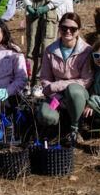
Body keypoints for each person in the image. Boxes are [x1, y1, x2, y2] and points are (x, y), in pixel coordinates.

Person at [36, 12, 93, 141]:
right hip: (56, 96)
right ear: (59, 28)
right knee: (45, 116)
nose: (68, 31)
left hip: (78, 95)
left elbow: (86, 80)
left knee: (73, 90)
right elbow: (44, 79)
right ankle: (61, 124)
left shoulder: (87, 51)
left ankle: (75, 128)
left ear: (78, 30)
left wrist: (59, 85)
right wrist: (57, 97)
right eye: (64, 28)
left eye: (73, 29)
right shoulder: (50, 50)